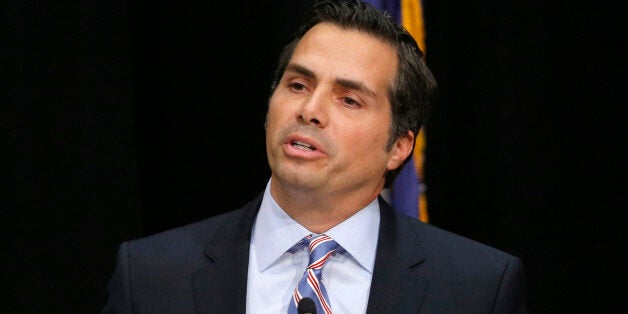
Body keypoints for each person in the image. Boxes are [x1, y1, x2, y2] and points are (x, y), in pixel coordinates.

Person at [101, 0, 527, 313]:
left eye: (348, 99)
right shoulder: (151, 275)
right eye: (298, 85)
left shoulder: (476, 288)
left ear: (400, 146)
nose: (309, 110)